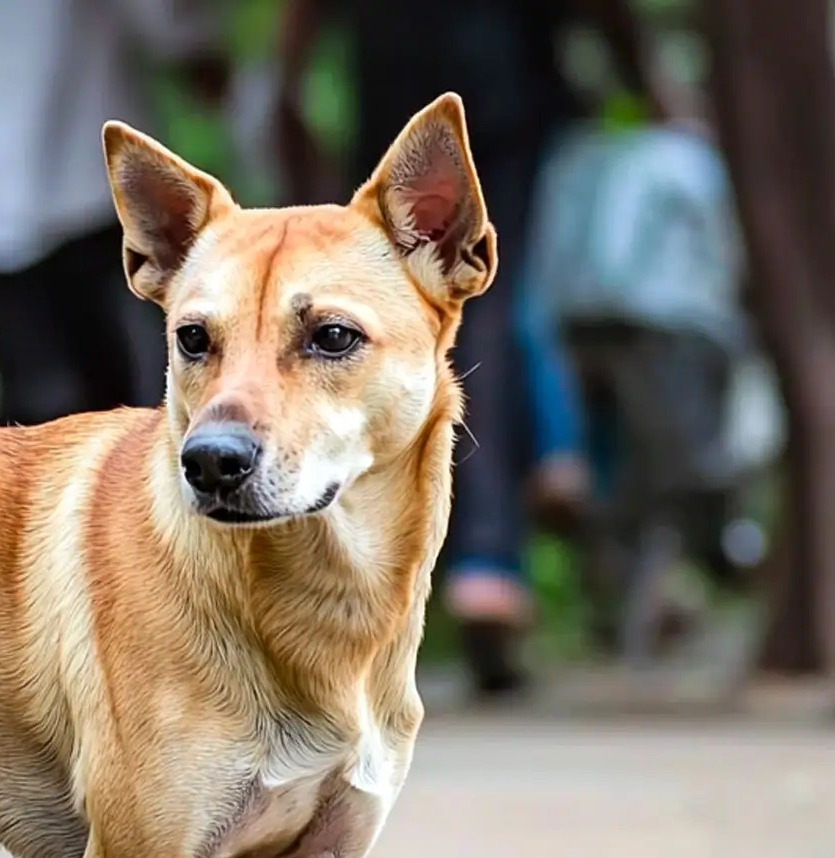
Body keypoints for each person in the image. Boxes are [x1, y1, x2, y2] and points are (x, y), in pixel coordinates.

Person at [276, 0, 669, 694]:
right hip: (508, 97)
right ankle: (527, 497)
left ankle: (504, 525)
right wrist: (650, 87)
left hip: (396, 94)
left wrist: (288, 81)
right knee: (493, 301)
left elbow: (305, 19)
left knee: (447, 309)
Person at [0, 0, 227, 427]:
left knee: (30, 392)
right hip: (79, 183)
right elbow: (167, 23)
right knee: (124, 397)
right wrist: (204, 56)